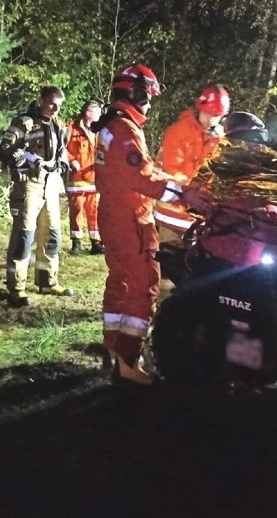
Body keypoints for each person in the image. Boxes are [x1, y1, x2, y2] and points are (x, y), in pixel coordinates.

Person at [93, 64, 181, 385]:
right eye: (147, 97)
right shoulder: (125, 129)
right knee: (144, 285)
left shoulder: (111, 125)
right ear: (135, 92)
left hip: (114, 213)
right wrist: (182, 192)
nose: (148, 104)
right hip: (131, 217)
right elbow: (141, 176)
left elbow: (138, 170)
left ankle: (113, 350)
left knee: (120, 283)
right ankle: (129, 363)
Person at [0, 86, 73, 307]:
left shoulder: (59, 124)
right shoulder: (24, 123)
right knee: (24, 236)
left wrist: (63, 164)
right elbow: (5, 150)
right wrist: (19, 158)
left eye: (59, 105)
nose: (56, 108)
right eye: (52, 103)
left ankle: (47, 281)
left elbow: (63, 151)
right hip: (29, 184)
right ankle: (16, 288)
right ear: (41, 101)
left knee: (52, 235)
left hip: (51, 184)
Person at [154, 85, 230, 245]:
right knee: (170, 260)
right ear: (202, 109)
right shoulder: (177, 132)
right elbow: (172, 170)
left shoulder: (219, 137)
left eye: (219, 116)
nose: (216, 119)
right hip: (173, 211)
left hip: (200, 212)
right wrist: (194, 190)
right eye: (213, 115)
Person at [65, 99, 104, 255]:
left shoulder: (99, 130)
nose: (100, 115)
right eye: (98, 112)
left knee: (95, 212)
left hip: (94, 179)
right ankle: (76, 243)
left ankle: (96, 243)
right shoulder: (70, 128)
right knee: (76, 211)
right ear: (89, 113)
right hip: (77, 179)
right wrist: (71, 160)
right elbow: (61, 149)